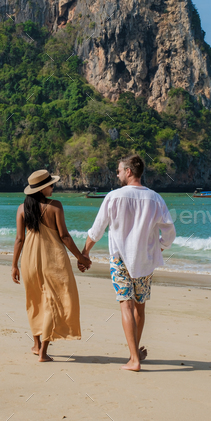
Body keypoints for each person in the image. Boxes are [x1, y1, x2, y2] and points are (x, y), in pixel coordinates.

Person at [82, 155, 176, 372]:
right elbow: (169, 232)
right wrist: (158, 247)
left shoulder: (113, 197)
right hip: (144, 260)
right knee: (140, 307)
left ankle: (134, 359)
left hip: (120, 259)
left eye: (118, 170)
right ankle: (134, 355)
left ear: (129, 172)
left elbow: (97, 230)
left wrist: (85, 253)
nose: (117, 174)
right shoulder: (155, 198)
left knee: (126, 305)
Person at [11, 169, 91, 362]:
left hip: (29, 259)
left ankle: (37, 344)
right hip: (52, 259)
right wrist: (81, 257)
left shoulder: (22, 209)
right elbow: (64, 236)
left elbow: (19, 239)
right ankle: (43, 352)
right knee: (52, 301)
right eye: (51, 185)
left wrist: (14, 265)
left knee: (35, 300)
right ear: (42, 188)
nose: (53, 187)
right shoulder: (55, 206)